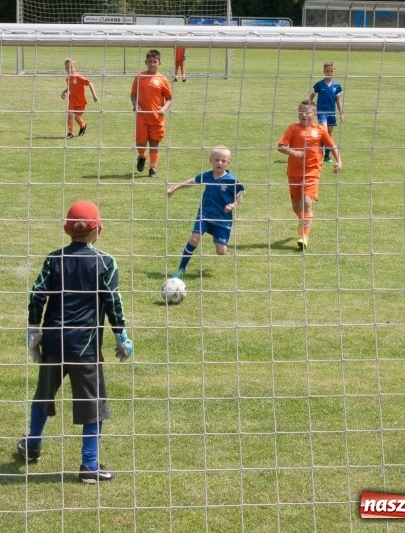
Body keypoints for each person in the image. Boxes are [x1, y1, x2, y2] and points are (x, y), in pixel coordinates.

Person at [19, 200, 133, 484]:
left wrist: (34, 331)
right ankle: (89, 465)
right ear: (99, 229)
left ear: (66, 229)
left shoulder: (54, 258)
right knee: (91, 403)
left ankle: (32, 446)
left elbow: (37, 293)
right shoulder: (105, 262)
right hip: (86, 346)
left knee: (43, 393)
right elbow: (112, 301)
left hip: (54, 341)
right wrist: (121, 336)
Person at [166, 146, 244, 279]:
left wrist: (233, 204)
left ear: (228, 162)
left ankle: (214, 233)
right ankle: (181, 269)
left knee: (221, 252)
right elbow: (192, 181)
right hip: (205, 214)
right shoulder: (207, 176)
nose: (219, 163)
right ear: (211, 160)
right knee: (194, 239)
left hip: (222, 219)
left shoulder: (231, 180)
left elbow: (240, 193)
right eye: (217, 159)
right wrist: (175, 187)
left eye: (223, 160)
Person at [277, 100, 341, 250]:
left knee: (307, 201)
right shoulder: (293, 128)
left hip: (312, 170)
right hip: (294, 172)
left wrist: (339, 161)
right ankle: (302, 220)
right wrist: (293, 152)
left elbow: (331, 145)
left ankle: (304, 236)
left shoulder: (319, 130)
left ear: (314, 114)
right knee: (296, 206)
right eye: (301, 112)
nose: (303, 115)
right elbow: (281, 147)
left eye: (307, 112)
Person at [130, 49, 172, 178]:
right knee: (140, 143)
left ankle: (153, 168)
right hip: (141, 117)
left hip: (156, 118)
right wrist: (135, 104)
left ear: (159, 63)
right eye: (150, 61)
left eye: (155, 61)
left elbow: (169, 98)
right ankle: (142, 156)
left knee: (154, 143)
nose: (152, 64)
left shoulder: (162, 79)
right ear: (146, 62)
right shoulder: (139, 77)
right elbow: (133, 94)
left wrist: (163, 109)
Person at [309, 61, 344, 163]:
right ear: (323, 71)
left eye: (331, 71)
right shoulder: (319, 85)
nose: (329, 73)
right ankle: (319, 153)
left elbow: (338, 100)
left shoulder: (336, 86)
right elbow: (312, 96)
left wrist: (341, 113)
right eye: (327, 71)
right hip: (321, 112)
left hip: (331, 113)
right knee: (323, 131)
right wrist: (308, 108)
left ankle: (327, 156)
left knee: (329, 134)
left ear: (334, 72)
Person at [61, 58, 98, 139]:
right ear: (65, 69)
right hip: (72, 101)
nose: (69, 69)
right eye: (67, 67)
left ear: (75, 68)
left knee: (77, 118)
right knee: (70, 114)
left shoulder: (79, 77)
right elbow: (70, 87)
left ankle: (83, 126)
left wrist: (94, 95)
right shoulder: (68, 79)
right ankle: (70, 133)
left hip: (80, 101)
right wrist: (64, 92)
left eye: (71, 67)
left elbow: (89, 83)